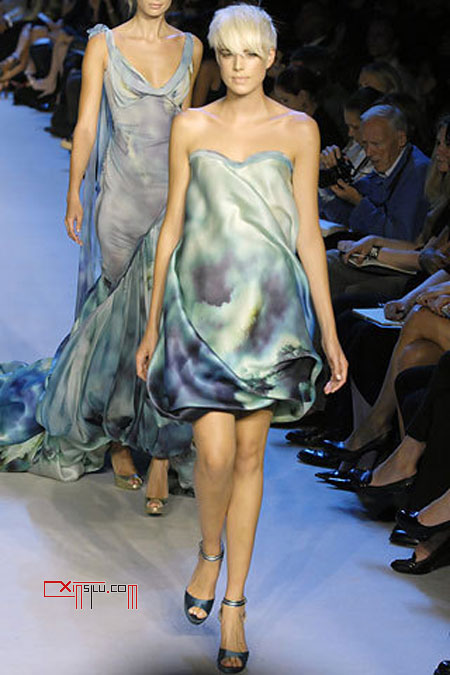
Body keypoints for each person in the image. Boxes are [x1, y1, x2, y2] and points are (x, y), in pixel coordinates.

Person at [136, 4, 347, 672]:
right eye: (227, 53)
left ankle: (234, 602)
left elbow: (308, 234)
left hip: (269, 317)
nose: (238, 65)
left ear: (271, 58)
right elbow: (172, 225)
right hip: (199, 313)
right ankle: (209, 551)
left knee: (251, 456)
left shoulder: (299, 131)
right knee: (215, 454)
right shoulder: (191, 124)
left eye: (251, 53)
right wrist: (151, 322)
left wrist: (331, 334)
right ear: (217, 57)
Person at [0, 0, 203, 515]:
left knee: (168, 321)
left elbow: (193, 131)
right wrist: (74, 191)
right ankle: (117, 441)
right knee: (121, 327)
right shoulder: (103, 44)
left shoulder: (192, 48)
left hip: (174, 202)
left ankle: (161, 455)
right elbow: (87, 124)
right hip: (121, 201)